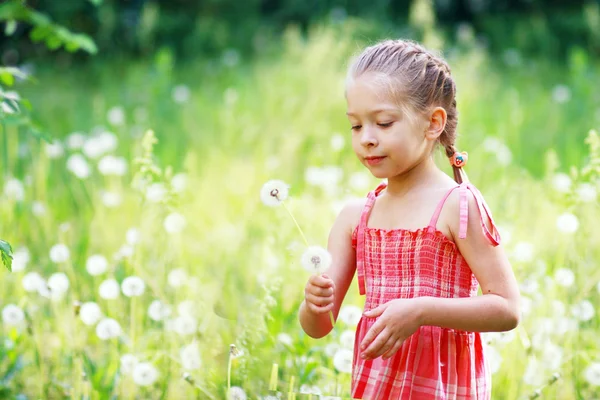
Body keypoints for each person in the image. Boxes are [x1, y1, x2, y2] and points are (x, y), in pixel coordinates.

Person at [298, 39, 520, 399]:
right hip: (377, 385)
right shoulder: (355, 218)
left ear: (433, 123)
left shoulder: (457, 206)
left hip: (442, 386)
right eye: (356, 126)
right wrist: (313, 305)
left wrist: (421, 311)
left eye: (383, 123)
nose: (367, 139)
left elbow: (507, 309)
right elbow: (318, 328)